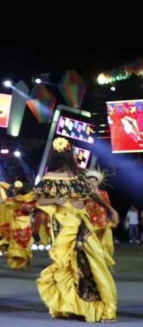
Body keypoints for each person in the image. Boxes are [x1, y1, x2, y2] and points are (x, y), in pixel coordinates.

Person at [35, 137, 118, 323]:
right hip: (63, 227)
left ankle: (105, 308)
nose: (67, 157)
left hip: (82, 225)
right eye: (64, 154)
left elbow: (93, 194)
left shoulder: (79, 176)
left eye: (67, 154)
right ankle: (72, 306)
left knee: (93, 263)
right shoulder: (50, 178)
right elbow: (39, 201)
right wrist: (56, 200)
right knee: (69, 267)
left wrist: (110, 209)